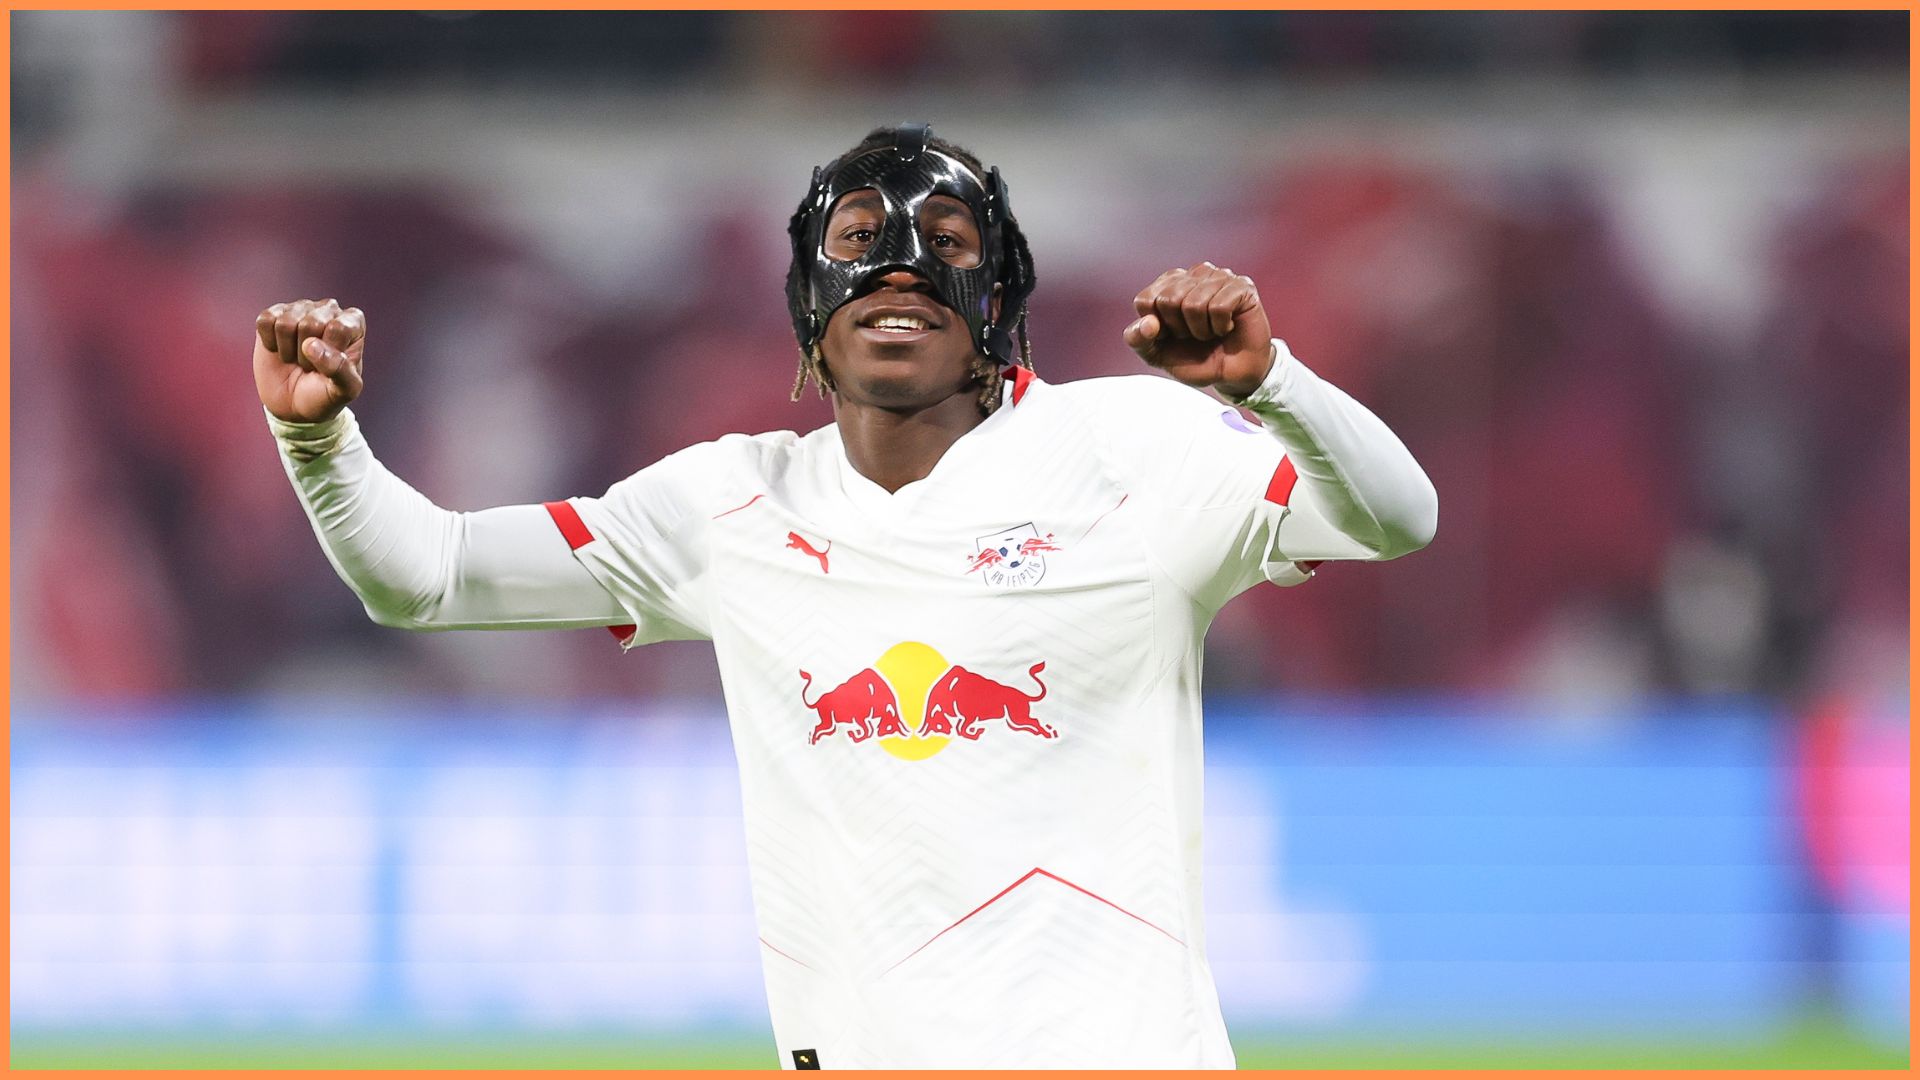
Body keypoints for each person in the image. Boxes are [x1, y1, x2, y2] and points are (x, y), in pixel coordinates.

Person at [256, 123, 1437, 1069]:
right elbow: (432, 576)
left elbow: (1398, 516)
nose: (901, 263)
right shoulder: (729, 504)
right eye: (861, 236)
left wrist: (1275, 382)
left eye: (950, 242)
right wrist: (318, 445)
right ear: (810, 303)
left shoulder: (1137, 447)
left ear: (1001, 297)